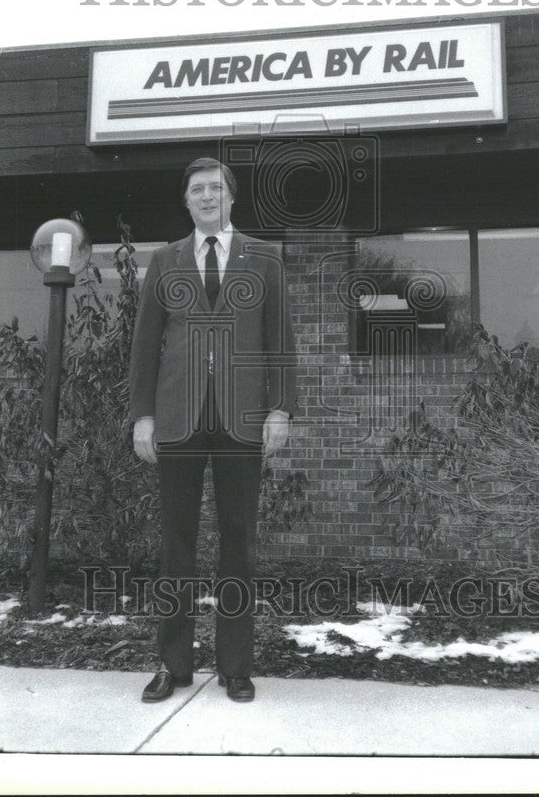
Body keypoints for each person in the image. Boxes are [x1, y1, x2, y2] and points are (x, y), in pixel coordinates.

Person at [129, 157, 297, 703]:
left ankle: (235, 667)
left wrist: (280, 409)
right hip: (178, 420)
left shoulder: (264, 259)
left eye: (216, 189)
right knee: (174, 547)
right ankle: (171, 664)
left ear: (232, 199)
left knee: (238, 546)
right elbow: (145, 345)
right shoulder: (165, 261)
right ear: (186, 201)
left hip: (241, 421)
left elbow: (280, 339)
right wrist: (143, 416)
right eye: (197, 189)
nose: (207, 197)